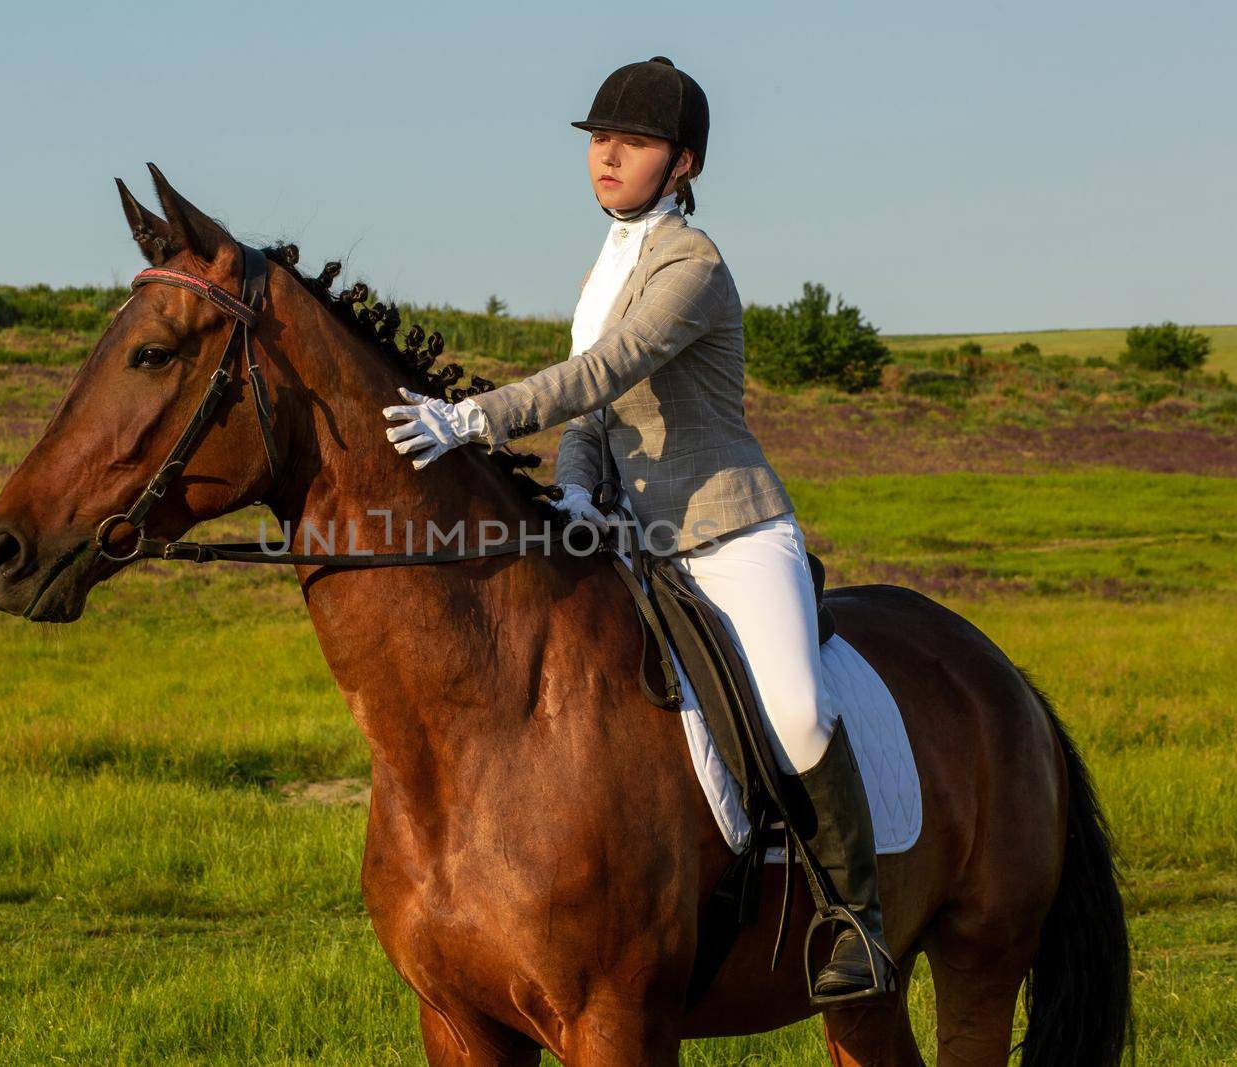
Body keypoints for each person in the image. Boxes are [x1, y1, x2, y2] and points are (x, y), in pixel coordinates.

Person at [381, 56, 895, 1006]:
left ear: (685, 162)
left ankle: (855, 919)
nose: (608, 154)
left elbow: (606, 369)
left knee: (794, 708)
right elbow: (591, 421)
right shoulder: (606, 263)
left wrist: (476, 418)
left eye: (636, 142)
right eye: (599, 139)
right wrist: (576, 494)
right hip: (627, 533)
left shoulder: (692, 267)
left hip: (727, 528)